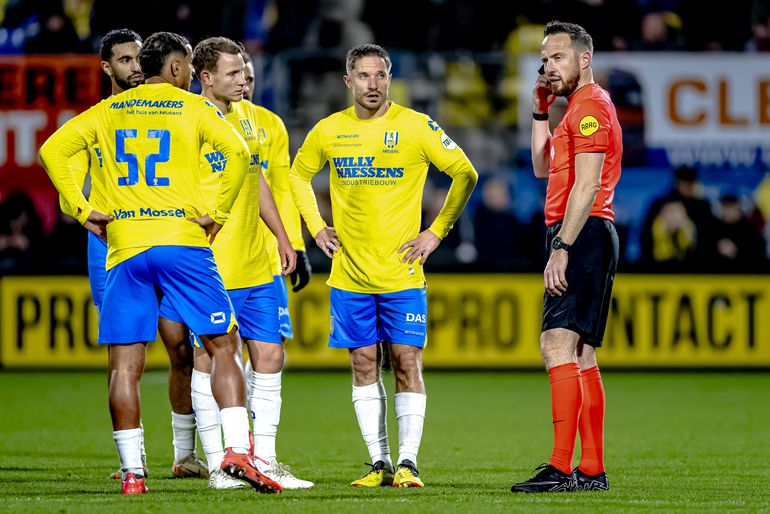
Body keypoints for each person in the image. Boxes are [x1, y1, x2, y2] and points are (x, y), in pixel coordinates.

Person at [39, 31, 282, 495]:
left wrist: (80, 207)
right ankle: (236, 453)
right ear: (175, 69)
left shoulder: (107, 112)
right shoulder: (193, 108)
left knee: (124, 366)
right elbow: (237, 154)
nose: (190, 73)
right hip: (182, 242)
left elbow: (53, 150)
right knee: (223, 345)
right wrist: (219, 212)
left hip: (125, 247)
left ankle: (133, 474)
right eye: (188, 65)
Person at [289, 43, 477, 488]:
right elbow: (297, 175)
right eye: (364, 76)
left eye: (380, 75)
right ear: (348, 81)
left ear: (390, 78)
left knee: (407, 361)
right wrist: (316, 229)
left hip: (402, 272)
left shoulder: (415, 126)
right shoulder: (330, 130)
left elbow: (465, 172)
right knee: (362, 365)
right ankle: (379, 462)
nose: (372, 84)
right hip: (349, 273)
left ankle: (409, 464)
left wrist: (437, 231)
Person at [58, 29, 207, 481]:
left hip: (164, 234)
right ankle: (133, 460)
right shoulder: (100, 118)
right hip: (112, 245)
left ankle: (184, 455)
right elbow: (68, 171)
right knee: (126, 353)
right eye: (124, 60)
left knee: (182, 346)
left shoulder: (165, 113)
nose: (135, 67)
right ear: (106, 67)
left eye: (139, 57)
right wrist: (83, 211)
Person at [171, 36, 311, 490]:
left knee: (270, 355)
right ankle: (219, 464)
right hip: (208, 263)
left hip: (257, 263)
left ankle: (264, 460)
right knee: (210, 357)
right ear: (206, 78)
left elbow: (261, 184)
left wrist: (285, 240)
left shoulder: (254, 121)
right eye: (233, 74)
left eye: (245, 71)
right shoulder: (186, 122)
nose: (244, 80)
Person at [510, 20, 621, 493]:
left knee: (555, 345)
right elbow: (541, 167)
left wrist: (562, 247)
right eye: (544, 57)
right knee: (581, 353)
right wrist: (541, 114)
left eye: (558, 57)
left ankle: (559, 468)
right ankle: (591, 470)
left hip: (583, 232)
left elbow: (588, 183)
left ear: (584, 58)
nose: (547, 66)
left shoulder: (591, 106)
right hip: (588, 232)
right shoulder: (575, 108)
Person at [241, 51, 312, 340]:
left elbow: (282, 189)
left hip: (267, 256)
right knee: (215, 346)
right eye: (236, 77)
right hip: (218, 254)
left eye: (250, 79)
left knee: (271, 346)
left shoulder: (271, 125)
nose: (244, 86)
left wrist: (297, 246)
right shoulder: (203, 120)